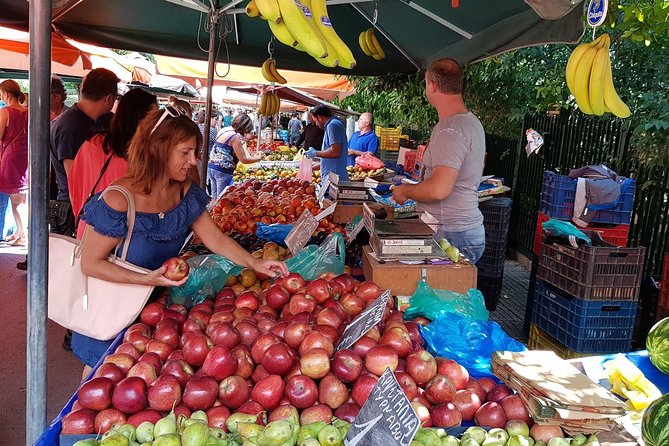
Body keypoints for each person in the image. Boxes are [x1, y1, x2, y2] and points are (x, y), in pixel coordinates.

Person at [75, 105, 288, 378]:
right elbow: (90, 264)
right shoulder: (119, 198)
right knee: (100, 383)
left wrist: (255, 263)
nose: (193, 161)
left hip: (157, 313)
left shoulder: (185, 192)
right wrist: (147, 279)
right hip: (112, 313)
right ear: (158, 148)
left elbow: (216, 239)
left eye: (195, 152)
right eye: (185, 152)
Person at [392, 58, 486, 263]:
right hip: (458, 229)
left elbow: (438, 189)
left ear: (431, 85)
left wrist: (404, 191)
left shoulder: (451, 131)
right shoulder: (467, 123)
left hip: (453, 232)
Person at [69, 88, 158, 239]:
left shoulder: (92, 143)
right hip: (124, 237)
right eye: (154, 116)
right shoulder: (145, 154)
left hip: (89, 229)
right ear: (140, 118)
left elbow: (75, 188)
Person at [50, 68, 120, 237]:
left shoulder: (90, 120)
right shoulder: (71, 126)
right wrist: (80, 220)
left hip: (85, 207)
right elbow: (74, 177)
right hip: (72, 209)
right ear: (109, 98)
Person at [16, 76, 70, 271]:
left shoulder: (66, 120)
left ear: (56, 96)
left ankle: (48, 263)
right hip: (44, 177)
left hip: (58, 180)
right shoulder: (41, 117)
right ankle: (34, 258)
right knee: (39, 220)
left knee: (55, 224)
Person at [0, 80, 29, 247]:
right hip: (26, 159)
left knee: (16, 201)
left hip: (11, 159)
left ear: (6, 94)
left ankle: (23, 235)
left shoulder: (5, 112)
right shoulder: (28, 112)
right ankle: (19, 231)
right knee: (22, 199)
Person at [208, 113, 263, 199]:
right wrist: (258, 158)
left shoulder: (225, 130)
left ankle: (210, 211)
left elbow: (225, 148)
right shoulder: (235, 137)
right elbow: (243, 159)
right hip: (222, 170)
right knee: (221, 198)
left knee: (214, 198)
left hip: (212, 167)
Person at [305, 105, 348, 181]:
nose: (316, 124)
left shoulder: (332, 125)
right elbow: (329, 157)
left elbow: (335, 152)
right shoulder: (333, 124)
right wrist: (313, 168)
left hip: (334, 177)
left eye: (315, 121)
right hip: (332, 175)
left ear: (319, 117)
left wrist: (316, 153)